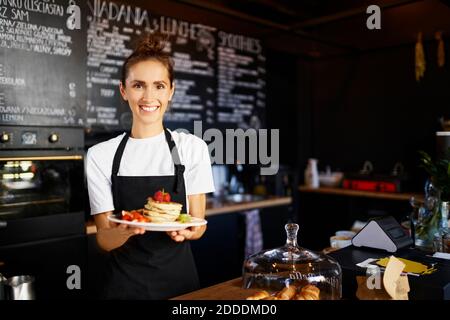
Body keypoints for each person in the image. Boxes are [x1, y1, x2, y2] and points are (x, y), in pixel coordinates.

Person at [86, 32, 215, 299]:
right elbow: (103, 239)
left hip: (182, 286)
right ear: (124, 90)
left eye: (159, 85)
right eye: (138, 85)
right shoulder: (101, 155)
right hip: (123, 287)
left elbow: (199, 225)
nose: (148, 96)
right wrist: (125, 231)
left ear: (171, 91)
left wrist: (188, 232)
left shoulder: (192, 149)